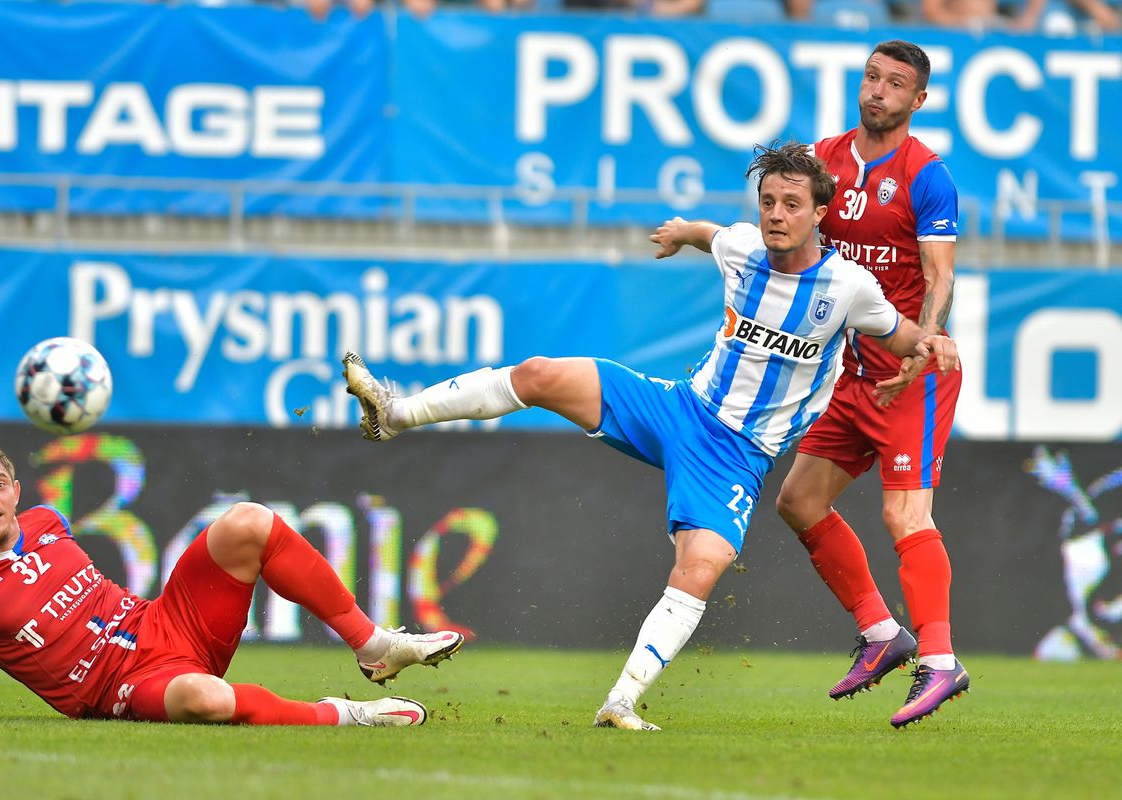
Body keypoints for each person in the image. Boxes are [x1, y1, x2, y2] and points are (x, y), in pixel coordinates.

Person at [341, 141, 959, 731]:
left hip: (736, 455)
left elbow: (898, 334)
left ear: (820, 214)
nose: (776, 215)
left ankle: (620, 700)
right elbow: (703, 231)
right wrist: (677, 232)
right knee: (539, 375)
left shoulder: (847, 287)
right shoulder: (742, 247)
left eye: (792, 205)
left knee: (701, 566)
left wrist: (930, 343)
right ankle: (394, 414)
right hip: (677, 407)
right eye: (768, 201)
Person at [0, 436, 464, 726]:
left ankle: (376, 646)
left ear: (17, 490)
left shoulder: (46, 521)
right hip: (122, 687)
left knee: (249, 521)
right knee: (204, 699)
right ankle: (348, 715)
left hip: (163, 621)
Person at [774, 39, 967, 729]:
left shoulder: (925, 175)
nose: (877, 91)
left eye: (894, 84)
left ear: (918, 101)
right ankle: (884, 634)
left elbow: (939, 275)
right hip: (851, 376)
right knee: (797, 501)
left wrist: (921, 345)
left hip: (910, 377)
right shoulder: (824, 159)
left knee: (904, 516)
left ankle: (941, 662)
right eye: (871, 78)